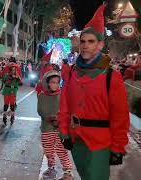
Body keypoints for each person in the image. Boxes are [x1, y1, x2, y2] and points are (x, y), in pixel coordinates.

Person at [58, 3, 130, 180]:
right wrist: (64, 132)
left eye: (91, 41)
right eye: (83, 41)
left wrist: (118, 147)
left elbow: (120, 116)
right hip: (76, 141)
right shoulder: (72, 72)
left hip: (101, 143)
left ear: (100, 45)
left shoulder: (111, 76)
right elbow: (64, 105)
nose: (85, 45)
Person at [37, 70, 73, 180]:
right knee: (48, 149)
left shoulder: (62, 94)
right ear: (47, 83)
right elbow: (40, 110)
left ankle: (68, 171)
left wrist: (59, 119)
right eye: (52, 82)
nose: (55, 85)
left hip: (60, 128)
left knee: (61, 149)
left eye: (57, 82)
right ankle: (51, 167)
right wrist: (49, 118)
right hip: (47, 127)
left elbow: (66, 110)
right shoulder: (42, 95)